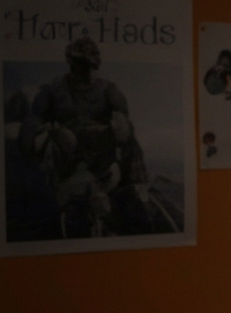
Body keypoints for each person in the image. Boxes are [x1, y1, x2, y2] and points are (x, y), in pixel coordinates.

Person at [17, 37, 151, 238]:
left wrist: (122, 129)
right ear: (72, 64)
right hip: (66, 158)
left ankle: (134, 192)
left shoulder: (109, 91)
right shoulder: (54, 89)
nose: (86, 72)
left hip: (101, 158)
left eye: (90, 66)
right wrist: (31, 142)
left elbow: (126, 130)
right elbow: (33, 120)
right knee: (62, 138)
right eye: (81, 66)